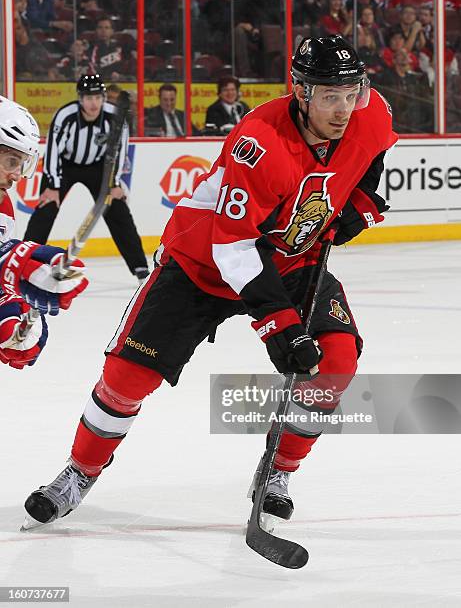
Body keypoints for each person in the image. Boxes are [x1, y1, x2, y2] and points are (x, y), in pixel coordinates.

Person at [21, 36, 397, 532]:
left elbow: (373, 158)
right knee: (126, 380)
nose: (345, 108)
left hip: (292, 258)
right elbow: (234, 247)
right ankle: (79, 472)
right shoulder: (259, 142)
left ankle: (279, 470)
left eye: (352, 93)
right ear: (300, 91)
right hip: (204, 263)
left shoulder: (370, 113)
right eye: (330, 96)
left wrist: (362, 205)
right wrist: (280, 325)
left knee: (336, 364)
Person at [23, 74, 149, 283]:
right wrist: (53, 185)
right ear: (80, 99)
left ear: (103, 97)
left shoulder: (115, 118)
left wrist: (115, 182)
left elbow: (120, 150)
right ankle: (25, 262)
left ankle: (140, 268)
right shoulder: (65, 116)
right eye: (89, 98)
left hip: (99, 168)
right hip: (65, 165)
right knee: (46, 208)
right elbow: (53, 151)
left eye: (98, 97)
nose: (94, 103)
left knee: (117, 209)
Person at [0, 96, 87, 370]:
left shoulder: (3, 206)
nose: (17, 175)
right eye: (12, 161)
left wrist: (10, 300)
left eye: (22, 164)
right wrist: (10, 260)